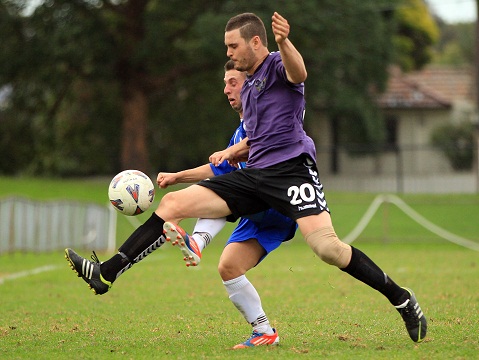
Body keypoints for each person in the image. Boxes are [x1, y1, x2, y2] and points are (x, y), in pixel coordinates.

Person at [65, 12, 427, 346]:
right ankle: (107, 273)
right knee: (177, 208)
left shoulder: (276, 66)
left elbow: (300, 74)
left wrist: (285, 42)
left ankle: (401, 298)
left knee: (327, 249)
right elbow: (255, 141)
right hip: (256, 178)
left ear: (256, 42)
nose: (228, 52)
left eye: (232, 45)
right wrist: (221, 158)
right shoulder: (249, 87)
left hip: (292, 172)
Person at [158, 59, 297, 348]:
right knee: (229, 268)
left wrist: (233, 152)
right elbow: (218, 170)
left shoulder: (266, 120)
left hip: (275, 201)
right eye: (225, 84)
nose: (226, 90)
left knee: (222, 196)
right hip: (256, 214)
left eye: (232, 82)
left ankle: (198, 240)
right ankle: (264, 331)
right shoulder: (239, 130)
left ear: (251, 86)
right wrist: (177, 176)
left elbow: (258, 147)